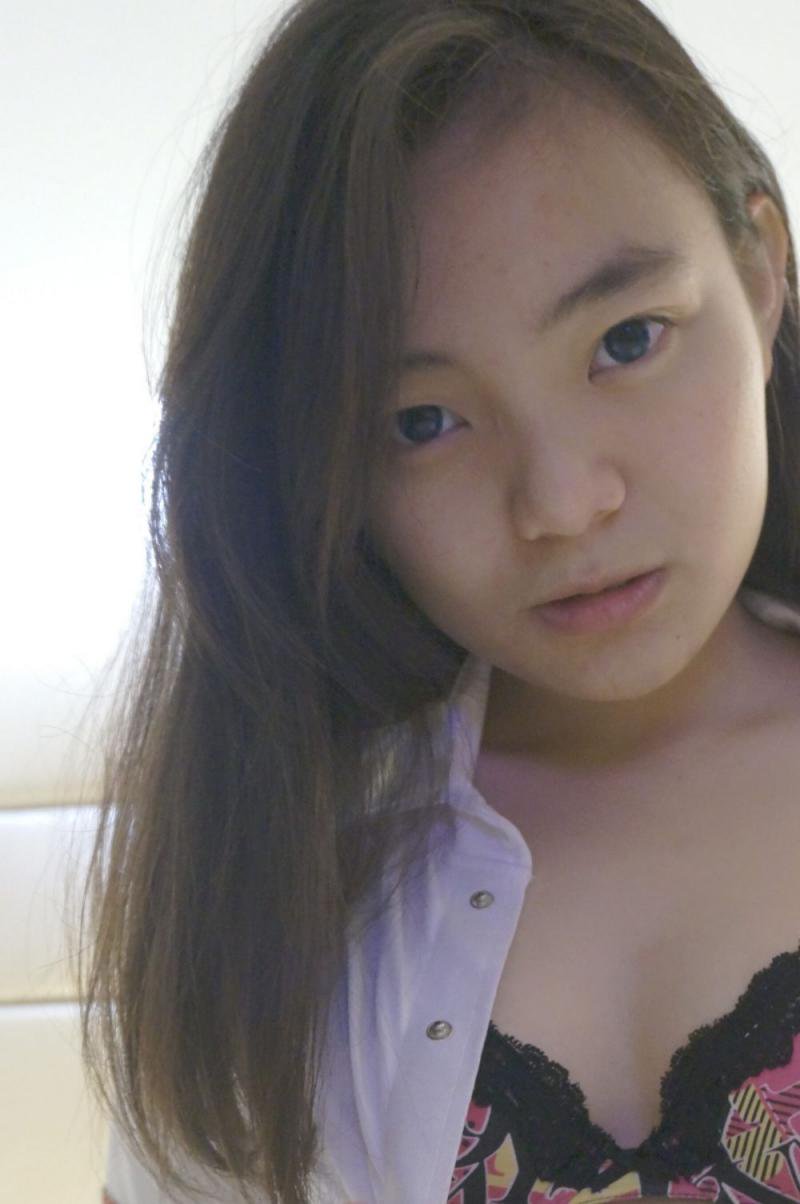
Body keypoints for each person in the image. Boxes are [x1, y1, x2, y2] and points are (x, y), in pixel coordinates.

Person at [73, 1, 800, 1202]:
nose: (559, 501)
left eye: (627, 340)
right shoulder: (274, 863)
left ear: (761, 272)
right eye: (422, 421)